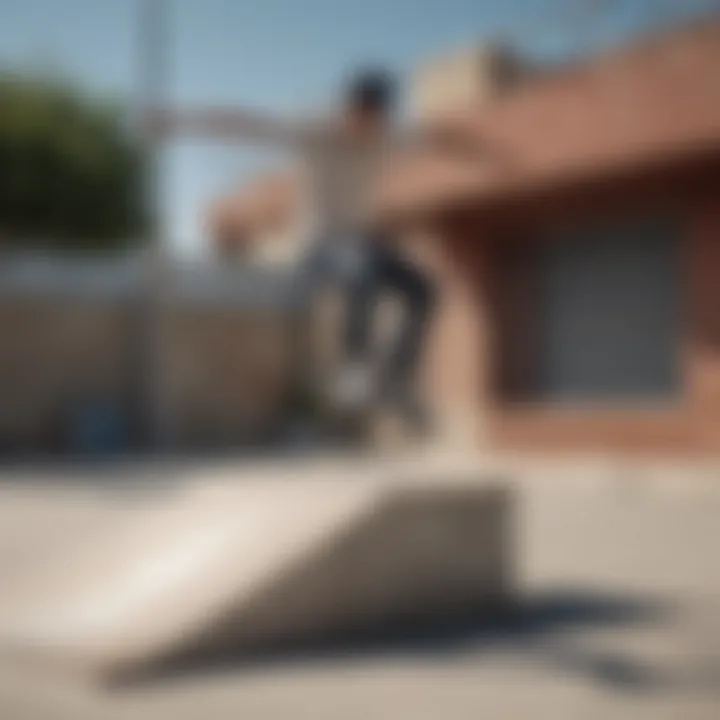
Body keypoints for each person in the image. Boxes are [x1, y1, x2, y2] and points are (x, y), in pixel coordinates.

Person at [149, 69, 486, 432]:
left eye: (373, 123)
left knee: (424, 288)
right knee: (362, 269)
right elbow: (246, 124)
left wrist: (484, 151)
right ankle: (354, 367)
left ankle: (395, 377)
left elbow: (436, 139)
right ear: (348, 109)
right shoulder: (314, 128)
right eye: (359, 120)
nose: (364, 131)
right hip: (320, 248)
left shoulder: (387, 135)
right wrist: (180, 120)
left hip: (360, 243)